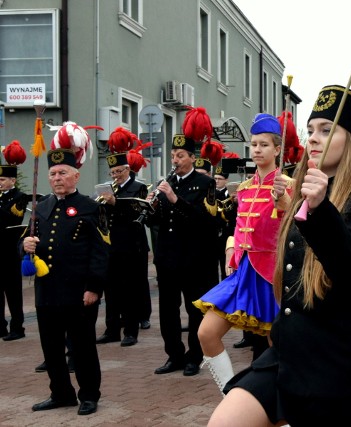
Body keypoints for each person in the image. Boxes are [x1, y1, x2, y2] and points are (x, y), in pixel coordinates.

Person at [210, 85, 351, 426]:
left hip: (339, 359)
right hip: (289, 353)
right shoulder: (301, 191)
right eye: (311, 129)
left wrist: (321, 210)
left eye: (327, 130)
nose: (314, 138)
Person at [194, 113, 291, 394]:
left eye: (264, 144)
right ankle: (229, 395)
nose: (258, 149)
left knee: (278, 346)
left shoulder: (286, 185)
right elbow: (237, 226)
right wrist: (230, 250)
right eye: (254, 144)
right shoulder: (245, 188)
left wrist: (282, 198)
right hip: (243, 270)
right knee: (206, 333)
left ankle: (281, 409)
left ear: (276, 150)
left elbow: (293, 221)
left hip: (273, 274)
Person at [23, 137, 108, 416]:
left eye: (62, 173)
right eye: (53, 174)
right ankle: (60, 393)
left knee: (82, 347)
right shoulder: (41, 206)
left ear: (75, 176)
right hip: (47, 290)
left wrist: (94, 287)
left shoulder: (90, 207)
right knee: (51, 347)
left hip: (78, 291)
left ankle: (88, 395)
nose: (57, 178)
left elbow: (100, 251)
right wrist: (25, 246)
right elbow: (24, 241)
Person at [145, 131, 218, 377]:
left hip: (193, 258)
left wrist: (175, 199)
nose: (175, 160)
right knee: (167, 310)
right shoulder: (166, 184)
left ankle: (194, 357)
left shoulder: (205, 184)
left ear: (192, 158)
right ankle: (173, 355)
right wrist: (149, 207)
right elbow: (154, 222)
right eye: (173, 155)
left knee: (193, 309)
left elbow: (207, 221)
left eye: (180, 156)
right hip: (167, 258)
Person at [95, 128, 151, 347]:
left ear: (128, 169)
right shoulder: (109, 190)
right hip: (112, 246)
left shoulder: (139, 188)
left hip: (132, 246)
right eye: (113, 172)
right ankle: (111, 329)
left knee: (130, 289)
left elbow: (138, 213)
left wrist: (115, 203)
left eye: (119, 171)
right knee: (111, 289)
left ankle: (130, 331)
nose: (116, 175)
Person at [0, 141, 28, 341]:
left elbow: (10, 217)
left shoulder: (19, 196)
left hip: (10, 250)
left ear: (12, 180)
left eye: (2, 179)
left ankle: (17, 327)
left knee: (13, 292)